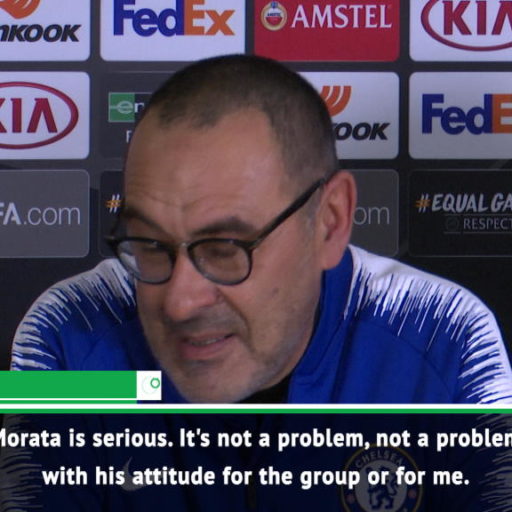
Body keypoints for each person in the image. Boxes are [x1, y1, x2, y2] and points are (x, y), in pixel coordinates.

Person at [9, 54, 512, 403]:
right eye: (151, 244)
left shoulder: (446, 339)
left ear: (329, 223)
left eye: (225, 247)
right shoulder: (65, 335)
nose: (180, 302)